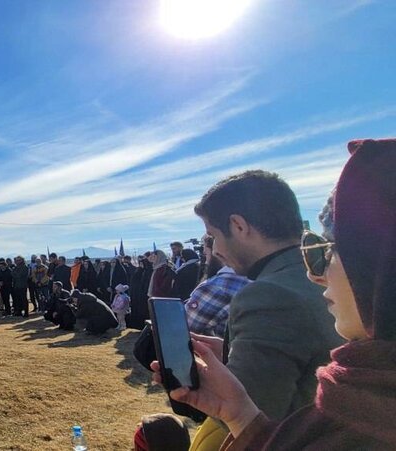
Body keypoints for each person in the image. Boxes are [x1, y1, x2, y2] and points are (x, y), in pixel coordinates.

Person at [157, 139, 396, 450]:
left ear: (239, 226)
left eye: (330, 250)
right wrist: (242, 411)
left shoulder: (267, 296)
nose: (317, 275)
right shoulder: (369, 370)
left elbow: (266, 413)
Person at [186, 169, 344, 449]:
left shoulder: (268, 295)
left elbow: (248, 421)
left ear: (238, 226)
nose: (216, 249)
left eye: (212, 236)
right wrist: (231, 355)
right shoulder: (325, 277)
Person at [184, 240, 249, 337]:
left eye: (206, 255)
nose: (206, 262)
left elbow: (183, 328)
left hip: (217, 351)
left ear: (218, 254)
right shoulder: (257, 280)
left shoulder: (215, 287)